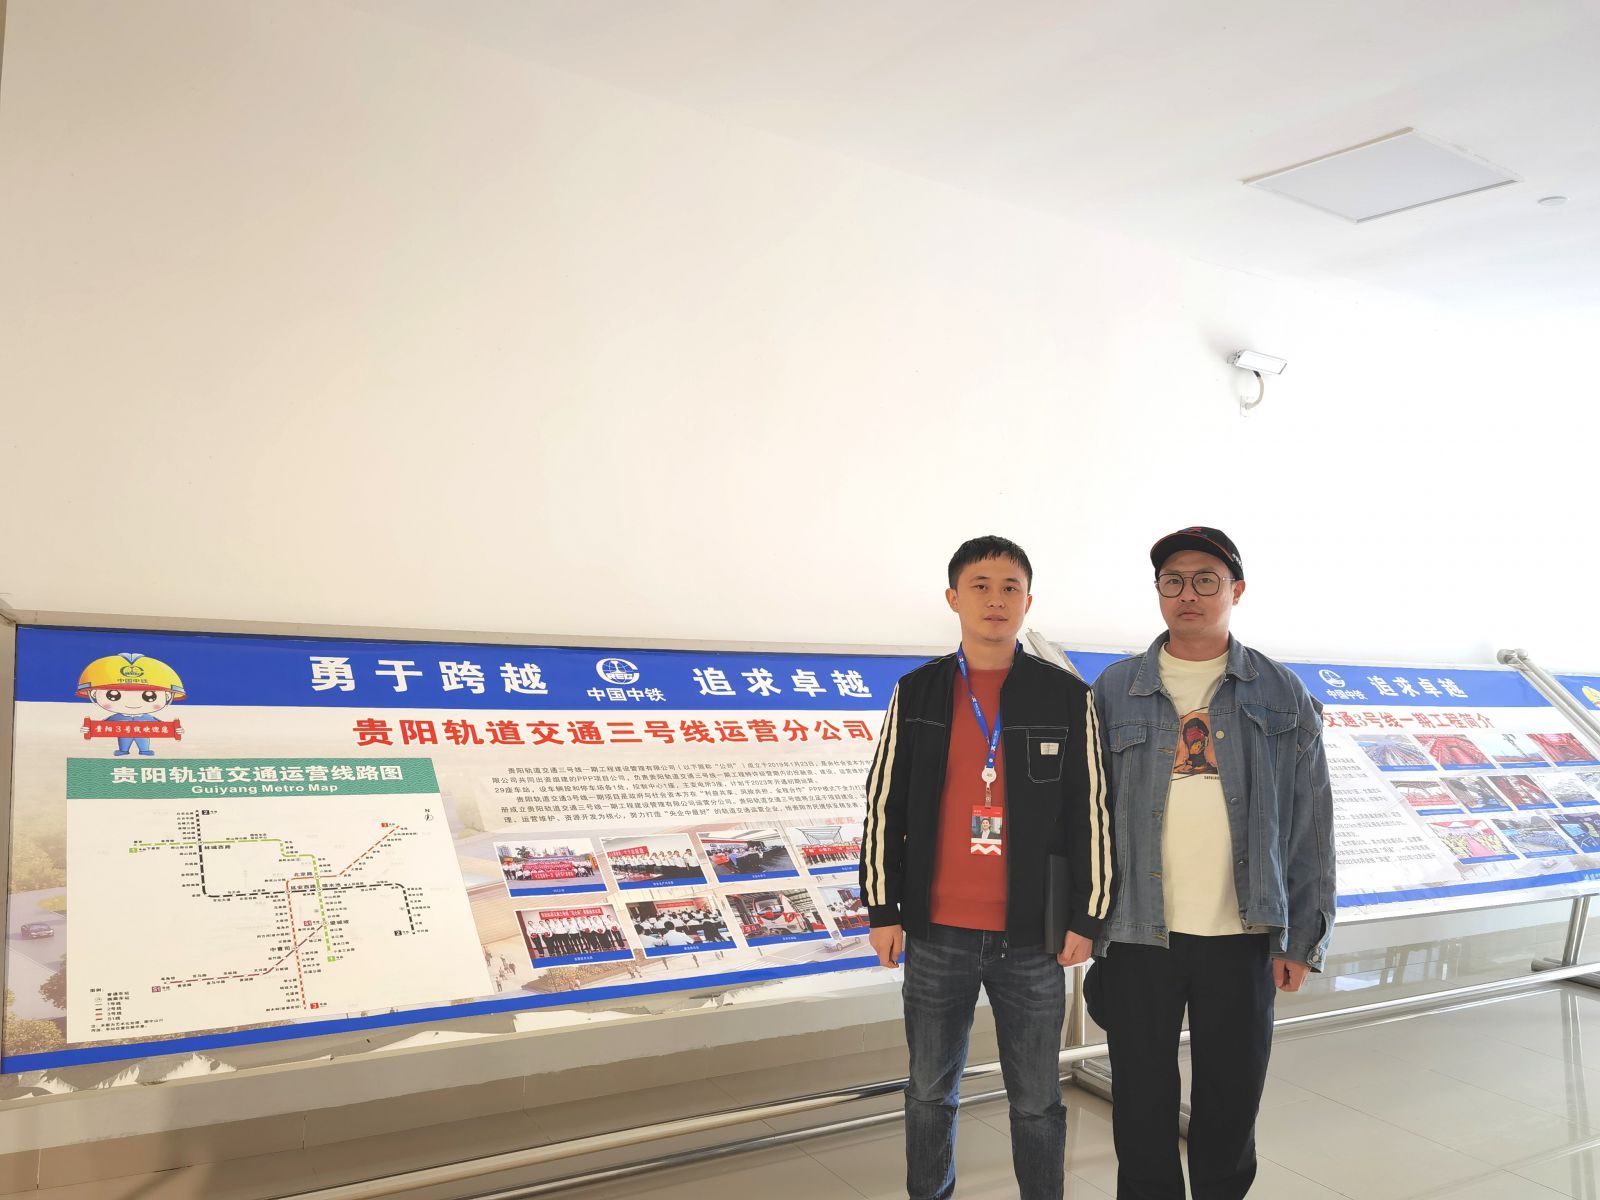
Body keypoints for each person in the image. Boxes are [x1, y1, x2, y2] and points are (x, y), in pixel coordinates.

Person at [861, 535, 1112, 1200]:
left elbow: (1092, 811)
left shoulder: (1067, 696)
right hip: (936, 933)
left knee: (1037, 1100)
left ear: (1028, 601)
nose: (995, 600)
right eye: (980, 586)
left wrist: (1089, 916)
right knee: (929, 1092)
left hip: (1031, 940)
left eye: (1010, 588)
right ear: (953, 598)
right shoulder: (918, 692)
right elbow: (884, 804)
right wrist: (883, 909)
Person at [1090, 526, 1336, 1200]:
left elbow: (1311, 824)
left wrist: (1303, 937)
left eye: (1206, 579)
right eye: (1172, 580)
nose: (1188, 594)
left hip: (1243, 933)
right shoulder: (1114, 690)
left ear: (1236, 590)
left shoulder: (1281, 693)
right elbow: (1086, 817)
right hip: (1138, 932)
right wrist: (1082, 923)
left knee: (1230, 1100)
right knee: (1140, 1104)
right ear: (1158, 591)